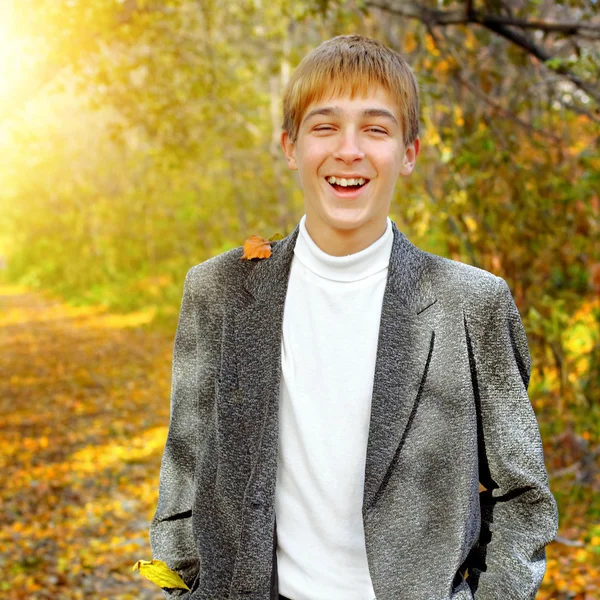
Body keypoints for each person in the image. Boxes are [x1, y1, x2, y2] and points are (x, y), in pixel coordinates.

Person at [149, 34, 559, 600]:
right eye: (325, 127)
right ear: (291, 147)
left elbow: (522, 497)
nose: (349, 150)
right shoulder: (218, 290)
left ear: (409, 152)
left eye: (375, 127)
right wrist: (187, 587)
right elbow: (186, 471)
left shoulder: (473, 303)